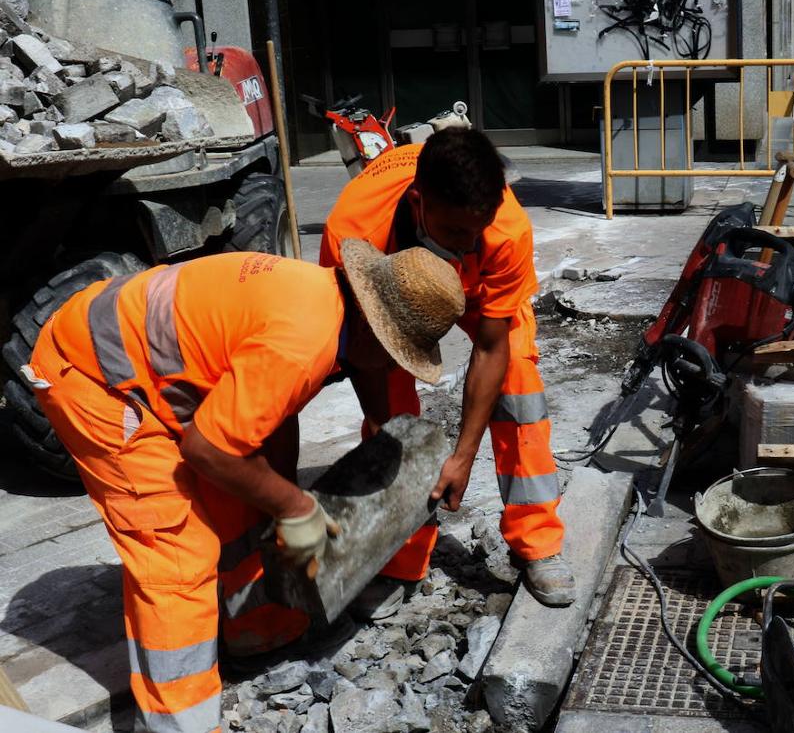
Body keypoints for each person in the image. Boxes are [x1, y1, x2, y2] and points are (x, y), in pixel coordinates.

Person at [24, 244, 465, 732]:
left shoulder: (323, 301)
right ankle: (182, 722)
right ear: (373, 327)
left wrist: (286, 494)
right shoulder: (304, 342)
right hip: (97, 375)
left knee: (243, 500)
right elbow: (207, 451)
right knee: (175, 556)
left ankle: (254, 630)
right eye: (394, 353)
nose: (390, 366)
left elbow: (273, 425)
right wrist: (297, 506)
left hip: (145, 362)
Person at [320, 128, 576, 612]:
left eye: (477, 230)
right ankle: (402, 556)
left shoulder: (503, 231)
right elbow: (363, 351)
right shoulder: (354, 230)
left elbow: (491, 344)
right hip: (391, 283)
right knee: (392, 412)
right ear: (419, 203)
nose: (470, 241)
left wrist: (462, 455)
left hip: (478, 292)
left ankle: (537, 539)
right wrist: (384, 433)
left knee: (518, 377)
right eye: (458, 233)